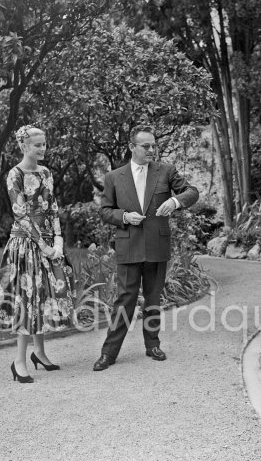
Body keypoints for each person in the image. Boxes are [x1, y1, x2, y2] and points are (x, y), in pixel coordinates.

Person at [93, 126, 199, 371]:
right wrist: (124, 217)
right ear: (132, 147)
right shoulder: (113, 177)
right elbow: (105, 211)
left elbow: (191, 192)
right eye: (146, 146)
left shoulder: (166, 171)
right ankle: (109, 353)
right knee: (125, 300)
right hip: (128, 245)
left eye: (153, 145)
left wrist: (174, 201)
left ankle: (152, 345)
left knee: (153, 299)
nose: (152, 150)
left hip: (156, 244)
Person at [0, 125, 75, 383]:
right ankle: (19, 360)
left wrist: (59, 242)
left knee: (43, 298)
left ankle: (39, 352)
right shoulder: (14, 174)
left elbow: (52, 208)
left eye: (44, 144)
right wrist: (43, 245)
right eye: (37, 145)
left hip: (49, 243)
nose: (42, 148)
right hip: (25, 244)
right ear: (23, 146)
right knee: (26, 300)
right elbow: (21, 213)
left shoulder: (46, 173)